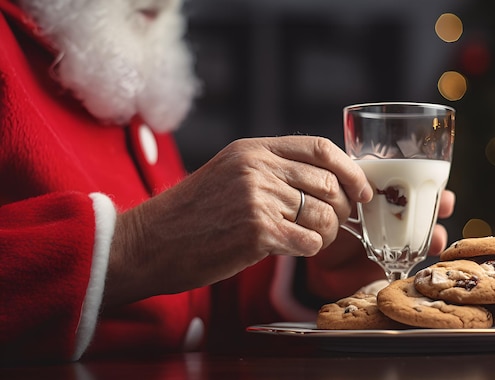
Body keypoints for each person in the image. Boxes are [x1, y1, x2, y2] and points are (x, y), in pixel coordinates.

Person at [0, 0, 455, 363]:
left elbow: (183, 308)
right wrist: (136, 245)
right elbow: (147, 254)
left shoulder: (111, 54)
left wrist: (305, 271)